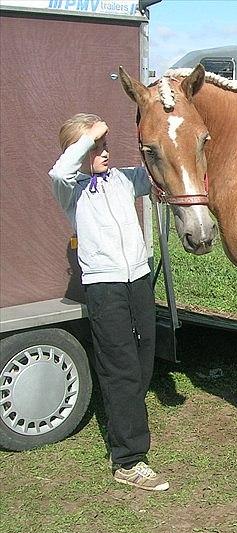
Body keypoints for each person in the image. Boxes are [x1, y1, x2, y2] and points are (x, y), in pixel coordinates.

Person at [48, 113, 168, 491]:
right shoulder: (73, 188)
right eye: (96, 147)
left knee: (142, 357)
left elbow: (155, 172)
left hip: (138, 278)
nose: (103, 151)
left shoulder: (121, 178)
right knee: (120, 367)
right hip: (105, 286)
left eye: (104, 145)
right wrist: (89, 137)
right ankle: (128, 460)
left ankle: (126, 416)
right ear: (78, 151)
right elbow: (59, 171)